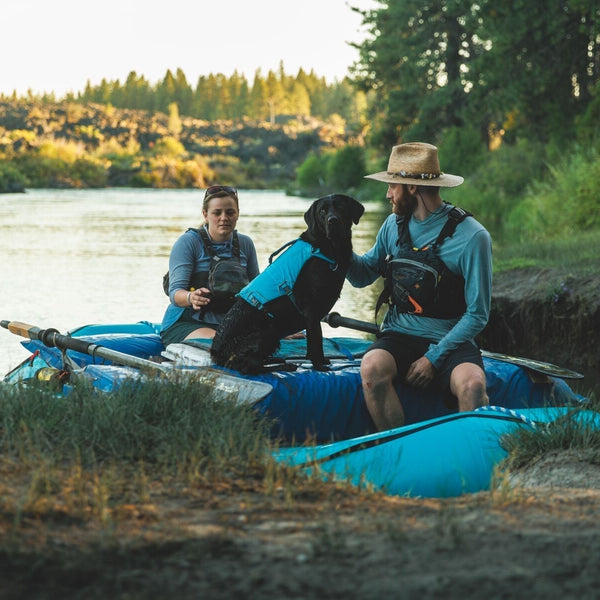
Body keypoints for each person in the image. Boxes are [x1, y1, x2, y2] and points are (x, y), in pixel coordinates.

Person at [346, 142, 493, 431]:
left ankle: (468, 456)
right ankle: (399, 450)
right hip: (399, 335)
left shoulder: (473, 237)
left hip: (451, 341)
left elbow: (478, 313)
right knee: (372, 368)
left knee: (473, 386)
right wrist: (341, 246)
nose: (388, 193)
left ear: (411, 188)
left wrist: (433, 359)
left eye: (392, 185)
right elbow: (362, 275)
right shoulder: (392, 225)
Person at [160, 185, 259, 345]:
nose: (224, 218)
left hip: (230, 323)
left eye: (230, 212)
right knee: (224, 342)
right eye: (217, 213)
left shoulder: (245, 243)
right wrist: (190, 297)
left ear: (237, 213)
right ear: (205, 214)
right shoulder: (188, 242)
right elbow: (175, 294)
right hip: (188, 323)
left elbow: (257, 292)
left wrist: (276, 326)